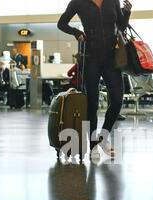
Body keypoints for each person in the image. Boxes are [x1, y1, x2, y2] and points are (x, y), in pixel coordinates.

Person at [58, 0, 132, 161]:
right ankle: (92, 146)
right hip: (90, 57)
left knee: (118, 100)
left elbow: (121, 26)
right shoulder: (78, 2)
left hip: (111, 58)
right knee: (92, 102)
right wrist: (76, 32)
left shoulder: (113, 1)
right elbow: (61, 23)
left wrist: (126, 13)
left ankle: (103, 137)